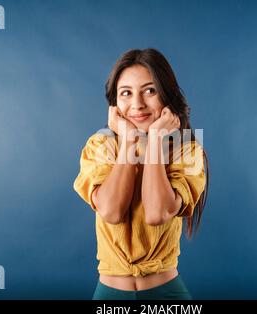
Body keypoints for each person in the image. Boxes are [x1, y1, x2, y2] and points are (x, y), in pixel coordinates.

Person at [73, 48, 209, 300]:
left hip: (167, 293)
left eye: (150, 90)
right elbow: (111, 211)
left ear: (166, 96)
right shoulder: (100, 145)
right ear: (115, 104)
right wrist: (128, 141)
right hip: (111, 295)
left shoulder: (187, 149)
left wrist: (155, 140)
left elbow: (157, 213)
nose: (137, 104)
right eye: (126, 93)